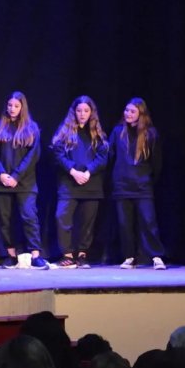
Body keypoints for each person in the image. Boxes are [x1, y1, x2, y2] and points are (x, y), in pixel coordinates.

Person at [0, 91, 47, 269]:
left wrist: (16, 176)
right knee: (5, 219)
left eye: (16, 106)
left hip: (25, 182)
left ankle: (35, 254)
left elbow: (32, 156)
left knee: (29, 216)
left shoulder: (32, 128)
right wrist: (1, 174)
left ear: (22, 107)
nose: (12, 109)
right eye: (10, 105)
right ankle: (11, 254)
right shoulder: (0, 126)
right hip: (2, 182)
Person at [50, 95, 109, 269]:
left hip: (91, 184)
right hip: (69, 183)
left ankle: (82, 255)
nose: (82, 114)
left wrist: (89, 171)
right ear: (74, 112)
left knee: (86, 222)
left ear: (91, 112)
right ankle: (67, 255)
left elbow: (103, 157)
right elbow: (58, 154)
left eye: (86, 110)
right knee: (62, 217)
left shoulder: (97, 134)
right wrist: (73, 171)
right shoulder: (65, 132)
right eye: (79, 110)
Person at [109, 97, 165, 270]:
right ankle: (129, 256)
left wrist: (147, 179)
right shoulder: (118, 132)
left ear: (141, 113)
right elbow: (110, 156)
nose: (128, 114)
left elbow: (157, 163)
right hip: (122, 186)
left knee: (148, 222)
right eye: (126, 110)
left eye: (132, 111)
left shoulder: (150, 134)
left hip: (142, 186)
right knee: (125, 223)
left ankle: (156, 256)